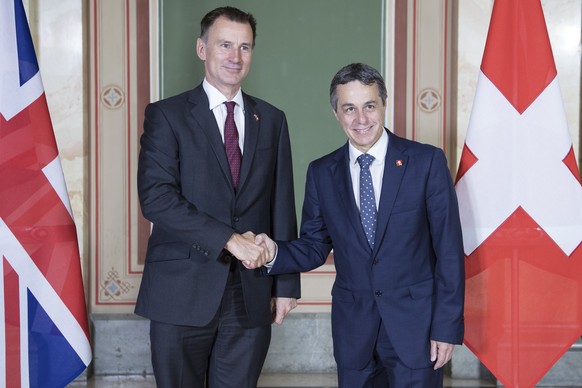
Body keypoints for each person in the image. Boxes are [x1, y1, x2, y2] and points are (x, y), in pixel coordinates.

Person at [257, 63, 465, 387]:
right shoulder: (322, 173)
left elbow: (449, 252)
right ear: (336, 114)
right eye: (349, 109)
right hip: (354, 334)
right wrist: (273, 252)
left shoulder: (426, 162)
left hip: (416, 332)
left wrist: (446, 327)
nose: (361, 119)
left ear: (383, 105)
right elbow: (313, 245)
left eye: (369, 106)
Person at [135, 6, 300, 388]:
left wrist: (287, 283)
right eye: (225, 45)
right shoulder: (167, 115)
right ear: (201, 49)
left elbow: (281, 203)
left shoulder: (272, 119)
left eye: (245, 47)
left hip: (250, 294)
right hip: (180, 292)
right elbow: (157, 199)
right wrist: (229, 240)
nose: (235, 57)